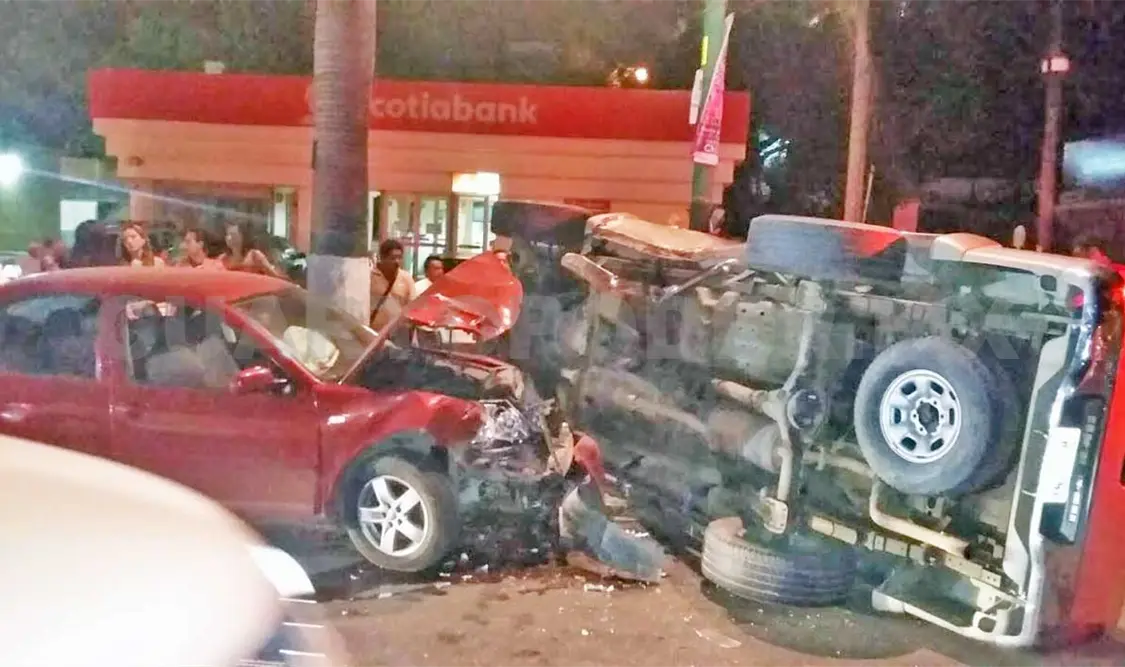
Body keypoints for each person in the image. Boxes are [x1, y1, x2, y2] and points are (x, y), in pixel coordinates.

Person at [369, 239, 415, 331]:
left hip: (398, 333)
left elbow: (412, 306)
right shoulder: (369, 276)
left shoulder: (406, 278)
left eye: (399, 258)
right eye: (393, 258)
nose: (397, 261)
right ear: (382, 257)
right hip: (374, 332)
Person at [219, 220, 285, 277]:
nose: (229, 238)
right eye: (227, 235)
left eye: (233, 234)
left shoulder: (255, 255)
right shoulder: (222, 259)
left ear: (243, 236)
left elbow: (273, 275)